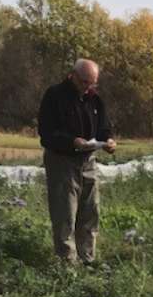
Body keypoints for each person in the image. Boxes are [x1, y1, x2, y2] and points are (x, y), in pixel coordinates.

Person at [37, 59, 116, 264]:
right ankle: (67, 265)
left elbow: (104, 128)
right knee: (65, 215)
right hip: (62, 161)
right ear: (72, 75)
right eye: (84, 82)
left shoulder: (95, 100)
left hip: (88, 161)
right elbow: (46, 133)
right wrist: (72, 142)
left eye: (92, 83)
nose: (88, 87)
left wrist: (108, 141)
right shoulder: (55, 96)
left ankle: (88, 260)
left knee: (90, 213)